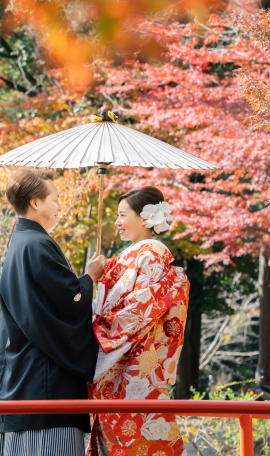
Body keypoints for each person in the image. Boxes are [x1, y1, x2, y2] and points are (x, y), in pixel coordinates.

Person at [0, 168, 106, 456]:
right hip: (46, 384)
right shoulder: (38, 244)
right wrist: (89, 278)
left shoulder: (21, 243)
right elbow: (70, 304)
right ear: (35, 202)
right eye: (55, 199)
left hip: (23, 379)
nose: (60, 206)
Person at [87, 186, 190, 456]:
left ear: (146, 219)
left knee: (136, 436)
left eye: (122, 215)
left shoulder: (151, 255)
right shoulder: (132, 255)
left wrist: (97, 325)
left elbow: (138, 311)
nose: (117, 223)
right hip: (126, 360)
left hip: (135, 361)